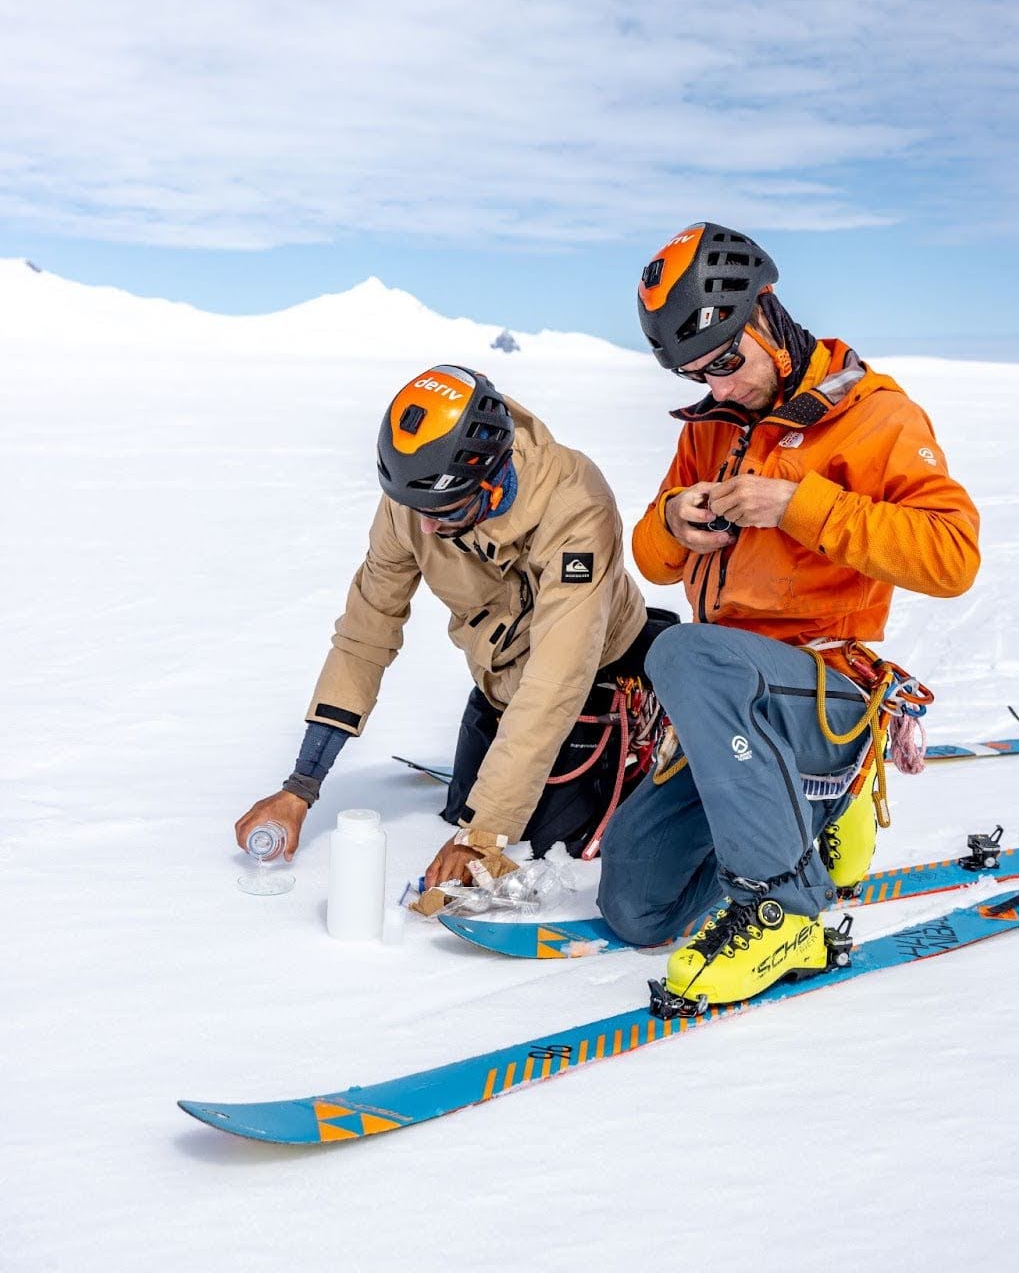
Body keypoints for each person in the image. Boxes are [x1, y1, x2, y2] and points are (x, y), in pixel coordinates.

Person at [597, 222, 980, 1007]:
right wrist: (672, 521)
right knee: (637, 908)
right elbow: (652, 560)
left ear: (765, 312)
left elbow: (952, 556)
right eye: (702, 374)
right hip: (733, 709)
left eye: (728, 363)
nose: (723, 387)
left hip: (825, 686)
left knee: (680, 652)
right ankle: (812, 812)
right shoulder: (713, 428)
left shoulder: (876, 417)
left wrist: (800, 505)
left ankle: (784, 907)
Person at [236, 364, 675, 888]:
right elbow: (365, 631)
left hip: (591, 678)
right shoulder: (417, 497)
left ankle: (656, 734)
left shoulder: (578, 506)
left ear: (491, 479)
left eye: (444, 511)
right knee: (459, 812)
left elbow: (558, 677)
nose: (424, 526)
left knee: (542, 842)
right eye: (416, 507)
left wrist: (485, 833)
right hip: (501, 681)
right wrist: (301, 785)